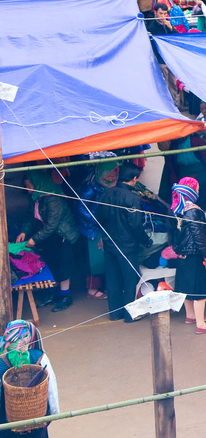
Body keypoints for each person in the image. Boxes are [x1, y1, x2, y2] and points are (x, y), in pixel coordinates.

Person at [19, 170, 78, 312]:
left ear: (38, 183)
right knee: (52, 263)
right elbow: (30, 217)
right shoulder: (36, 198)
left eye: (29, 186)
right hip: (50, 235)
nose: (28, 189)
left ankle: (65, 296)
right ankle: (54, 294)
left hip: (63, 235)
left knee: (63, 266)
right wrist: (23, 232)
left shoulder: (53, 199)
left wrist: (34, 238)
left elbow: (52, 224)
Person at [100, 165, 152, 322]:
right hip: (127, 246)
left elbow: (99, 219)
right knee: (130, 279)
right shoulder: (133, 198)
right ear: (134, 179)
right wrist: (146, 240)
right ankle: (130, 315)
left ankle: (115, 314)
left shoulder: (106, 194)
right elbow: (135, 225)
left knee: (113, 279)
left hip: (109, 244)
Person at [170, 178, 206, 334]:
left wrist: (177, 249)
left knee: (185, 286)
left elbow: (171, 233)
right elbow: (199, 236)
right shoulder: (193, 210)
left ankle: (190, 316)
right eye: (196, 189)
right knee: (199, 290)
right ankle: (201, 325)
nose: (198, 192)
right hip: (193, 254)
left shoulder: (176, 208)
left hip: (181, 254)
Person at [0, 320, 59, 437]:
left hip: (7, 425)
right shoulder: (39, 356)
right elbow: (51, 387)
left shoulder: (1, 362)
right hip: (38, 421)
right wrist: (53, 413)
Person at [75, 159, 119, 301]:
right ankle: (92, 289)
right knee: (95, 260)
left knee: (105, 257)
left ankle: (104, 285)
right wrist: (98, 220)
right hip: (91, 228)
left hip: (105, 226)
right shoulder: (90, 188)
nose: (111, 179)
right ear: (101, 173)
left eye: (114, 175)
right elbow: (81, 208)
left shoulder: (108, 186)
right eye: (109, 175)